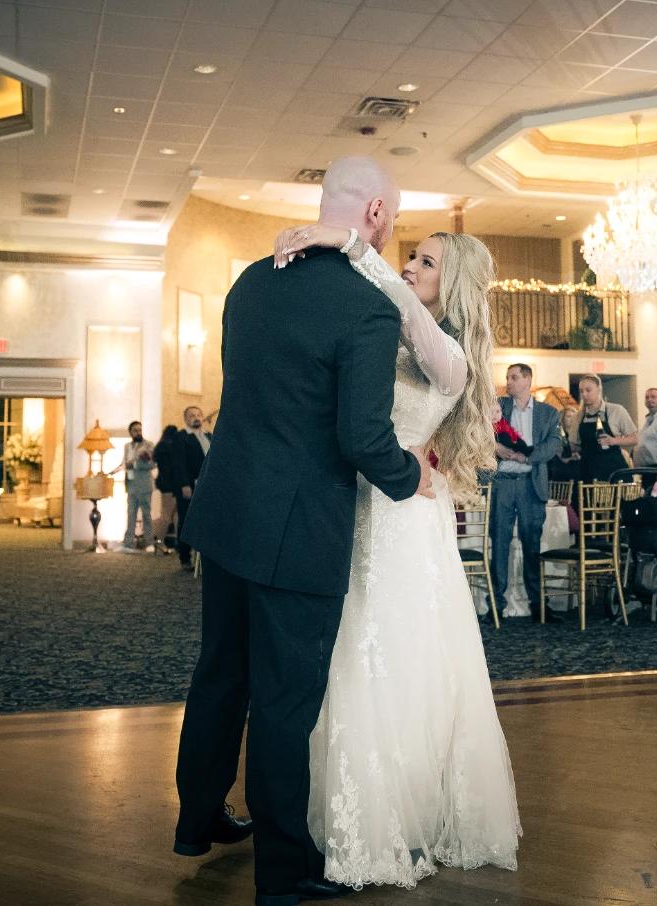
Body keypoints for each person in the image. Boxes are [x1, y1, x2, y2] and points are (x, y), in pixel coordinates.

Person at [171, 155, 431, 906]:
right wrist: (414, 478)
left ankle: (197, 819)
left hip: (225, 515)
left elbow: (248, 398)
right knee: (284, 703)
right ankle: (284, 874)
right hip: (298, 532)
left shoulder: (250, 282)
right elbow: (362, 439)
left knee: (220, 672)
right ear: (377, 212)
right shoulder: (366, 307)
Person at [273, 216, 520, 889]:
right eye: (410, 257)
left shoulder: (450, 357)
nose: (411, 268)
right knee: (341, 653)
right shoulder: (386, 334)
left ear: (457, 287)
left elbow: (408, 313)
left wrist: (352, 244)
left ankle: (390, 821)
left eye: (427, 262)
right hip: (352, 508)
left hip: (403, 523)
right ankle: (327, 815)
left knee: (388, 660)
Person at [491, 362, 563, 622]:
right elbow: (483, 431)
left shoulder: (548, 413)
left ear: (527, 380)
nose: (508, 382)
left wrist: (527, 457)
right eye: (507, 377)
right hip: (503, 483)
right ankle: (495, 606)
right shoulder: (499, 406)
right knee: (498, 542)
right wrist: (498, 448)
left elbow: (554, 444)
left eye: (513, 377)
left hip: (531, 485)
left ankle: (537, 605)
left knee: (532, 544)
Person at [572, 374, 636, 483]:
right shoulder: (578, 416)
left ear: (599, 389)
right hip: (588, 469)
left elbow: (634, 439)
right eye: (581, 391)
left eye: (588, 390)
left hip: (613, 469)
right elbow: (574, 445)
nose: (584, 394)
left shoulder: (616, 410)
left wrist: (614, 441)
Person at [173, 406, 209, 570]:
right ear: (185, 419)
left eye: (198, 415)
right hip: (189, 486)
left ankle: (206, 558)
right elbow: (178, 463)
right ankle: (185, 557)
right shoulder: (181, 437)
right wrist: (184, 484)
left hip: (208, 488)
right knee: (186, 521)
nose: (196, 417)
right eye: (191, 415)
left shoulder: (209, 436)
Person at [114, 421, 156, 552]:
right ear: (130, 432)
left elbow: (152, 464)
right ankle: (128, 543)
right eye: (135, 430)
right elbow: (125, 463)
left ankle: (149, 543)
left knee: (146, 515)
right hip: (131, 485)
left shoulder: (149, 445)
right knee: (130, 514)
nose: (138, 432)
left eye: (140, 429)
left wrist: (135, 465)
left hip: (144, 485)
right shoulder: (127, 446)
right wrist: (114, 471)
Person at [152, 424, 186, 556]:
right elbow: (174, 467)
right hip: (171, 485)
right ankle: (159, 540)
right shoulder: (170, 447)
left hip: (165, 483)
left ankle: (174, 541)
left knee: (174, 514)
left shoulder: (160, 446)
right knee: (168, 514)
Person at [634, 387, 657, 468]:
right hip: (646, 467)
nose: (649, 399)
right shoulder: (649, 419)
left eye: (653, 397)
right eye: (647, 397)